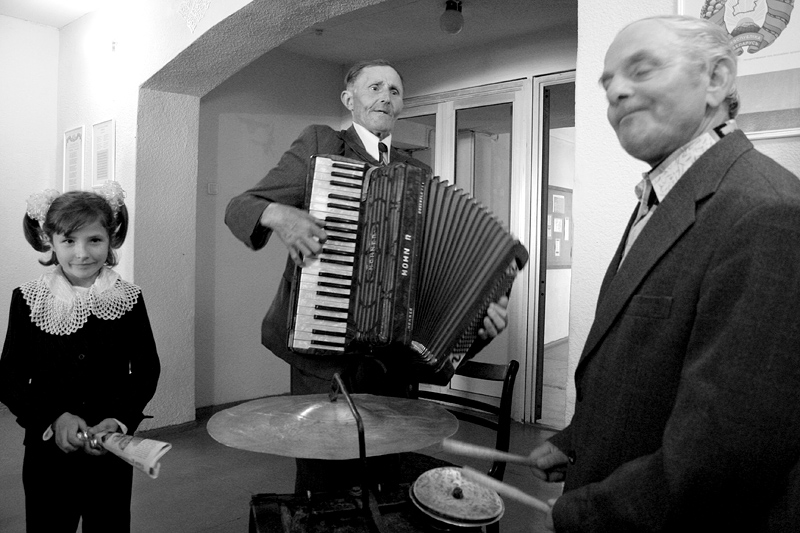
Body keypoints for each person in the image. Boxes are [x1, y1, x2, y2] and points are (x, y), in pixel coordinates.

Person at [527, 15, 800, 532]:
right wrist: (576, 441)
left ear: (716, 79)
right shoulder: (663, 195)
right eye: (608, 83)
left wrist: (581, 515)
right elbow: (641, 367)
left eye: (642, 70)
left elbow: (723, 458)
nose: (616, 93)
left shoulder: (767, 212)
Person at [225, 59, 509, 492]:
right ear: (349, 99)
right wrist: (280, 215)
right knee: (324, 481)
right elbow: (240, 207)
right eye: (374, 87)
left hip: (391, 365)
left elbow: (427, 275)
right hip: (325, 358)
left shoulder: (418, 174)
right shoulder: (322, 144)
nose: (385, 97)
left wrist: (474, 321)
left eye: (394, 91)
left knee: (383, 479)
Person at [0, 183, 161, 533]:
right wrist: (52, 418)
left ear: (111, 238)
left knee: (109, 524)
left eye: (94, 240)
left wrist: (118, 420)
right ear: (50, 241)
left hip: (110, 450)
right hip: (47, 452)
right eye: (69, 241)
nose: (82, 253)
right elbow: (9, 375)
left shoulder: (129, 297)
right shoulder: (27, 299)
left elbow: (146, 369)